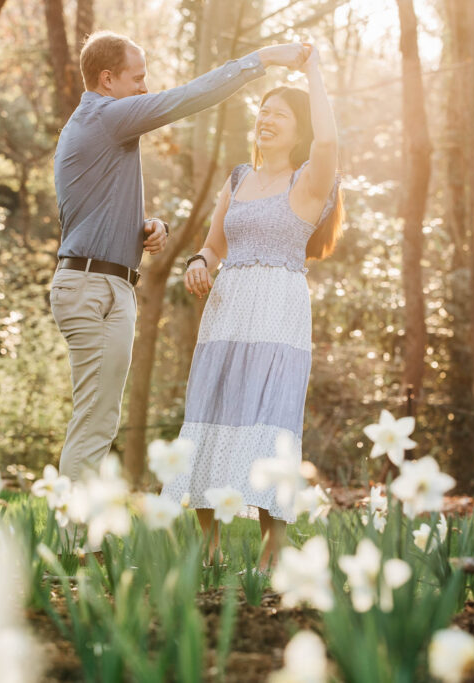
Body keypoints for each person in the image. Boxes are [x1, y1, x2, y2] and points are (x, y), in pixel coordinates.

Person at [50, 32, 310, 522]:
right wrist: (263, 59)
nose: (146, 86)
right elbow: (189, 98)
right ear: (108, 80)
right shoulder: (106, 115)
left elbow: (86, 211)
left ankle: (82, 534)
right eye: (138, 77)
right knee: (94, 421)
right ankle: (72, 543)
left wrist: (147, 227)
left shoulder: (98, 124)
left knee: (100, 419)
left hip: (104, 281)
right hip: (90, 288)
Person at [160, 46, 342, 569]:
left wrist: (312, 69)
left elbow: (329, 138)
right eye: (262, 111)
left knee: (271, 417)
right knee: (212, 410)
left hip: (279, 315)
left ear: (298, 129)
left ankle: (271, 555)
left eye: (279, 114)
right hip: (227, 311)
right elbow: (213, 244)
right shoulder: (238, 179)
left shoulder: (307, 182)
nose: (266, 119)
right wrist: (199, 259)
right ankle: (208, 548)